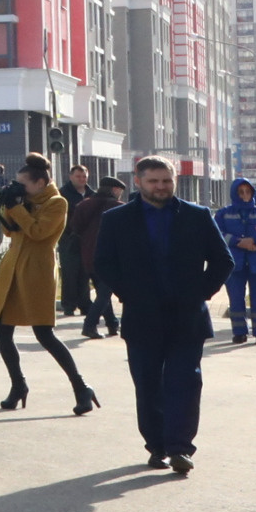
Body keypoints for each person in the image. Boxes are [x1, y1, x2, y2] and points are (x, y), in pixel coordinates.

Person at [90, 155, 234, 475]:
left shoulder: (197, 216)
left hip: (187, 317)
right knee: (148, 384)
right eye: (153, 181)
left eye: (166, 181)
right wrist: (128, 293)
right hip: (142, 317)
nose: (161, 187)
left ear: (175, 182)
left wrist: (200, 293)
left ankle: (181, 447)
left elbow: (223, 261)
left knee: (185, 382)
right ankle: (157, 446)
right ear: (138, 182)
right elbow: (103, 262)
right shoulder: (118, 219)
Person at [0, 153, 99, 414]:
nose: (20, 188)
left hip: (36, 271)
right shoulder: (25, 200)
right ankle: (18, 385)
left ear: (40, 183)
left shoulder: (56, 202)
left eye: (23, 184)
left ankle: (81, 387)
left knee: (44, 334)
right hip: (13, 268)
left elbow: (38, 232)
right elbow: (9, 230)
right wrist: (7, 204)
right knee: (2, 331)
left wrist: (18, 208)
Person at [215, 176, 256, 344]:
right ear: (234, 194)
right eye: (240, 192)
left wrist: (255, 240)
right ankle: (239, 332)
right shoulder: (223, 213)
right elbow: (217, 235)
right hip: (234, 263)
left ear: (252, 193)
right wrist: (238, 242)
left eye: (247, 192)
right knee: (236, 298)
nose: (244, 195)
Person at [72, 175, 125, 340]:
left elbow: (74, 228)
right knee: (104, 293)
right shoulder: (119, 207)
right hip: (110, 256)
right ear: (115, 190)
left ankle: (112, 324)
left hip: (88, 254)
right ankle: (89, 325)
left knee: (104, 291)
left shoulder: (83, 205)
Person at [57, 163, 96, 329]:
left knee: (85, 272)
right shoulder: (63, 194)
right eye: (78, 176)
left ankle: (85, 304)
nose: (82, 179)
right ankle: (69, 305)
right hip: (68, 239)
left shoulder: (92, 194)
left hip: (86, 239)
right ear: (71, 177)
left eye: (84, 176)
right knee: (69, 271)